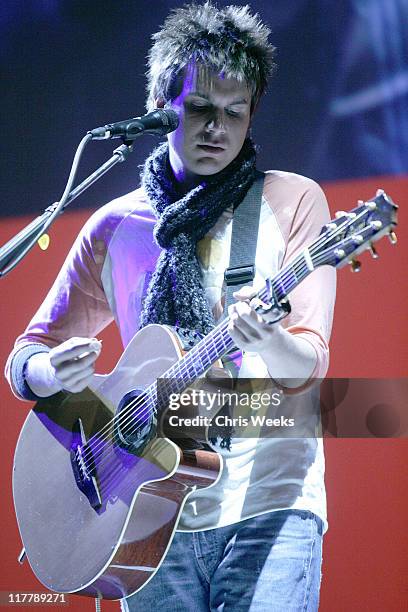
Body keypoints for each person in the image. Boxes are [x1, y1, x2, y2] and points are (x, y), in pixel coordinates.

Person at [5, 2, 336, 610]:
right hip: (146, 515)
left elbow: (307, 368)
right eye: (199, 110)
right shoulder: (115, 225)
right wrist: (57, 372)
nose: (218, 128)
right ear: (161, 111)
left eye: (235, 113)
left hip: (270, 501)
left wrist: (267, 339)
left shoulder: (293, 202)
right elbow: (25, 360)